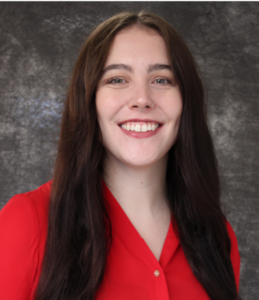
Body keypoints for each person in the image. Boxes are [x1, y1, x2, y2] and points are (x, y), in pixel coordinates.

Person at [0, 11, 240, 300]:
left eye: (162, 80)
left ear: (186, 101)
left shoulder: (217, 235)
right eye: (117, 79)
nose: (142, 99)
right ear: (89, 101)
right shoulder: (27, 222)